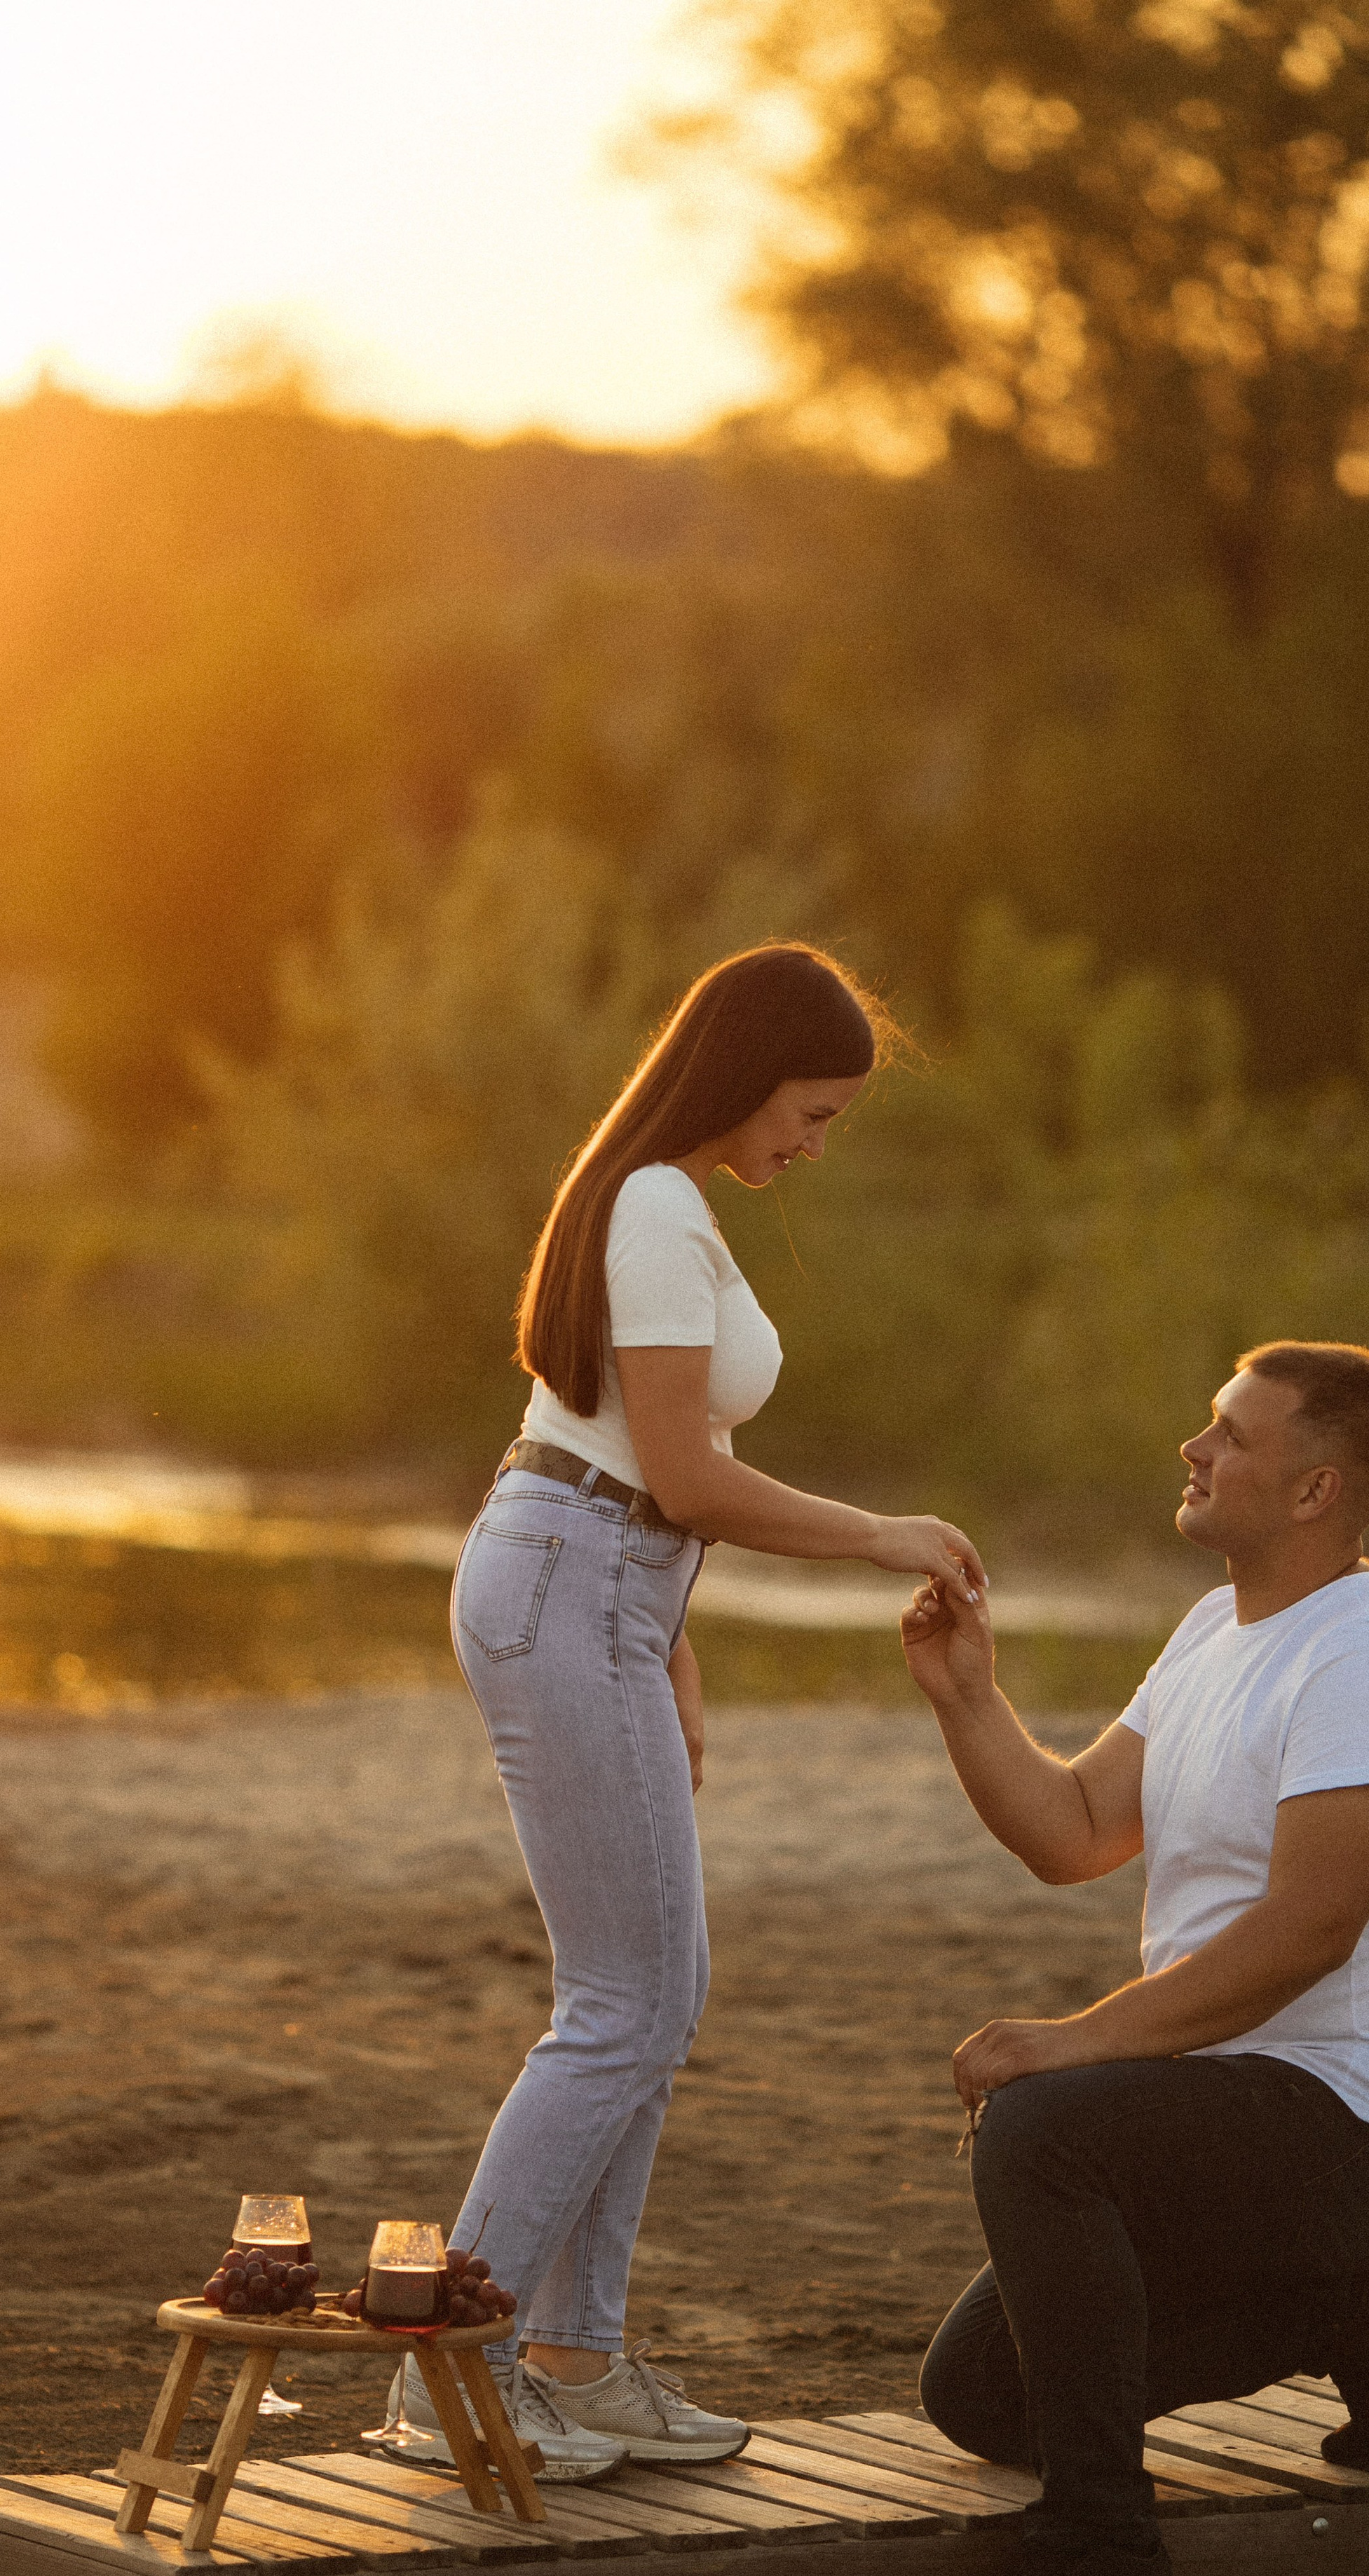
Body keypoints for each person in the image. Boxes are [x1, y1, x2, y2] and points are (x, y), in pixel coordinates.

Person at [379, 941, 988, 2483]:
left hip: (606, 1587)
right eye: (812, 1108)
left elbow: (648, 1479)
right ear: (743, 1074)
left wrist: (670, 1641)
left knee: (652, 1996)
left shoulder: (669, 1201)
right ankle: (446, 2374)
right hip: (571, 1578)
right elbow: (681, 1471)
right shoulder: (653, 1203)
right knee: (623, 2006)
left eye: (834, 1119)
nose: (813, 1141)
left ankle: (575, 2357)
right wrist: (879, 1535)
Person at [900, 1341, 1369, 2576]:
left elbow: (1307, 1935)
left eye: (1229, 1433)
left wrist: (1071, 2043)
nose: (1192, 1448)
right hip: (1213, 2106)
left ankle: (1106, 2554)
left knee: (1044, 2129)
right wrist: (968, 1697)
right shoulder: (1219, 1628)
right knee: (979, 2393)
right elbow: (1077, 1827)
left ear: (1317, 1488)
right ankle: (1350, 2315)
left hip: (1349, 2124)